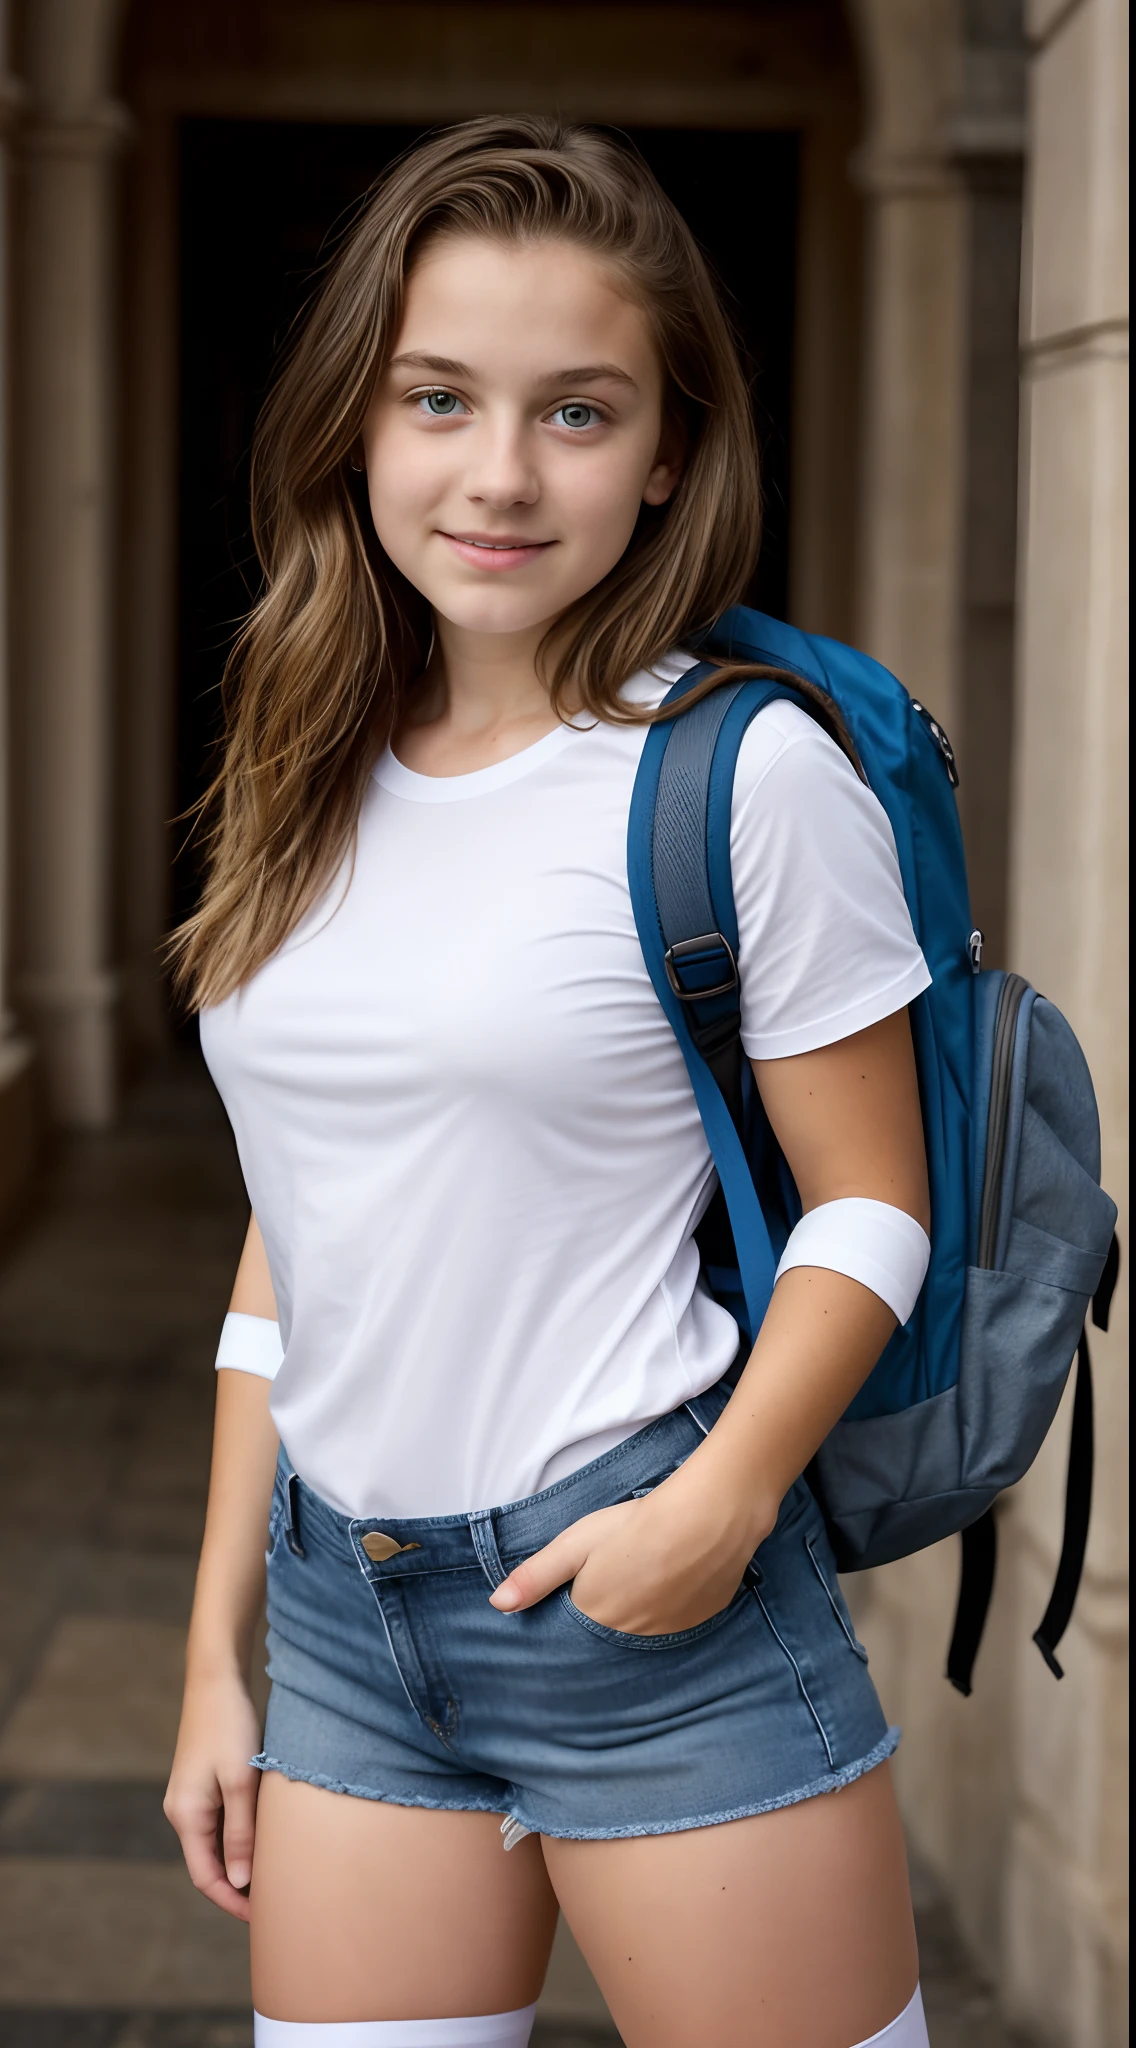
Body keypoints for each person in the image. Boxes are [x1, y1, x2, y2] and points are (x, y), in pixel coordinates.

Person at [164, 117, 935, 2048]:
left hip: (646, 1599)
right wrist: (215, 1653)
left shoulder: (744, 774)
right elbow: (302, 1223)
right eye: (441, 399)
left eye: (577, 414)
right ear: (361, 420)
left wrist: (721, 1509)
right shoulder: (304, 759)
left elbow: (873, 1204)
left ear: (669, 450)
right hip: (345, 1620)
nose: (499, 474)